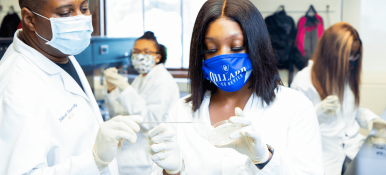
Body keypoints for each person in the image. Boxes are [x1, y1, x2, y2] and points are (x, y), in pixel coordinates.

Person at [146, 0, 324, 174]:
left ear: (257, 46)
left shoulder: (295, 107)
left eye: (236, 47)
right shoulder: (181, 111)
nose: (223, 59)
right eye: (211, 49)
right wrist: (171, 172)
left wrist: (265, 159)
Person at [0, 0, 144, 174]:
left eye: (84, 8)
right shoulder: (15, 90)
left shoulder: (58, 51)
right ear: (30, 19)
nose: (80, 19)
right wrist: (94, 160)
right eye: (65, 13)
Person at [291, 22, 386, 175]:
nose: (352, 60)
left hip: (352, 149)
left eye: (355, 55)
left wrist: (371, 120)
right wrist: (318, 112)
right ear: (331, 52)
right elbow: (294, 127)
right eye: (349, 55)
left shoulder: (345, 74)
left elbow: (351, 111)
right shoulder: (303, 81)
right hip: (323, 154)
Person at [103, 31, 179, 174]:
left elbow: (151, 121)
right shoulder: (142, 78)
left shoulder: (162, 80)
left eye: (146, 52)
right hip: (131, 152)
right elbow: (120, 115)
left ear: (157, 57)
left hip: (144, 157)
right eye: (136, 51)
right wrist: (112, 89)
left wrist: (125, 87)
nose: (140, 56)